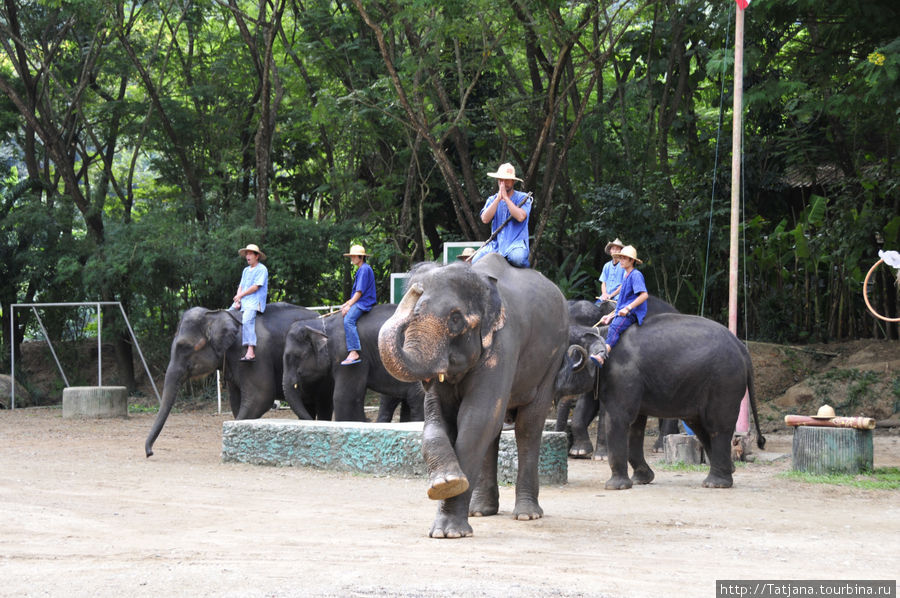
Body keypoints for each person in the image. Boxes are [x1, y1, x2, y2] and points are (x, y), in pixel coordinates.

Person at [590, 245, 648, 367]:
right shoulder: (626, 276)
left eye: (623, 258)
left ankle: (601, 356)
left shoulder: (636, 275)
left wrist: (628, 308)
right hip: (622, 310)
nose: (620, 260)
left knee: (615, 327)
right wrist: (609, 316)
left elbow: (644, 295)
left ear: (631, 261)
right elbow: (622, 302)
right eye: (620, 258)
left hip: (632, 313)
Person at [470, 162, 532, 268]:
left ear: (513, 181)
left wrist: (506, 199)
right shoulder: (492, 199)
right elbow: (485, 219)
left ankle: (529, 274)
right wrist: (498, 199)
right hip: (495, 245)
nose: (504, 183)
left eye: (507, 179)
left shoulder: (523, 197)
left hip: (515, 245)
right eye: (501, 179)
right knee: (475, 261)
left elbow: (520, 217)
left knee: (518, 259)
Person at [340, 244, 377, 365]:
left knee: (348, 320)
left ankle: (354, 351)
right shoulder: (363, 269)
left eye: (354, 256)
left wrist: (349, 305)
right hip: (361, 301)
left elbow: (359, 292)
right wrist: (347, 303)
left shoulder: (364, 269)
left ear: (360, 257)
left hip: (364, 302)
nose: (352, 258)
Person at [232, 243, 268, 362]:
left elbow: (255, 287)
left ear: (257, 256)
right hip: (244, 299)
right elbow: (241, 285)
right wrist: (238, 298)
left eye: (250, 253)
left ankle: (251, 350)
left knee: (247, 319)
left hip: (254, 300)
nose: (248, 256)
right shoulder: (245, 270)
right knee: (228, 313)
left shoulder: (262, 269)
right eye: (247, 253)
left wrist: (241, 295)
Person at [597, 237, 625, 304]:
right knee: (595, 308)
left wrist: (611, 295)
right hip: (605, 297)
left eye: (617, 249)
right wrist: (604, 294)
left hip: (618, 297)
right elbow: (603, 282)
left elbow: (624, 284)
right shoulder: (607, 266)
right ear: (610, 251)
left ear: (621, 251)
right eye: (613, 249)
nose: (615, 251)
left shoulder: (624, 266)